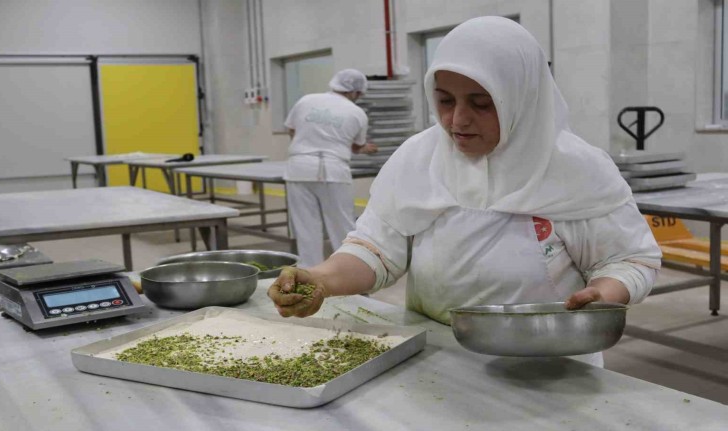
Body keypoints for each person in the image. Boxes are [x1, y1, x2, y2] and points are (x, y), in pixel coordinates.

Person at [269, 17, 661, 367]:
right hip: (437, 359)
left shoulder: (576, 170)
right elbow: (375, 249)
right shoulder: (419, 159)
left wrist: (605, 293)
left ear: (521, 98)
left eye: (481, 103)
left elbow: (630, 259)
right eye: (444, 100)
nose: (457, 120)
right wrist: (322, 279)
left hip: (552, 364)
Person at [283, 69, 378, 267]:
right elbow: (356, 146)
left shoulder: (306, 101)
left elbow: (291, 129)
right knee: (341, 226)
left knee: (305, 227)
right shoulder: (356, 113)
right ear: (355, 92)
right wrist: (366, 149)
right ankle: (346, 271)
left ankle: (311, 274)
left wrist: (310, 145)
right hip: (334, 172)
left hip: (299, 168)